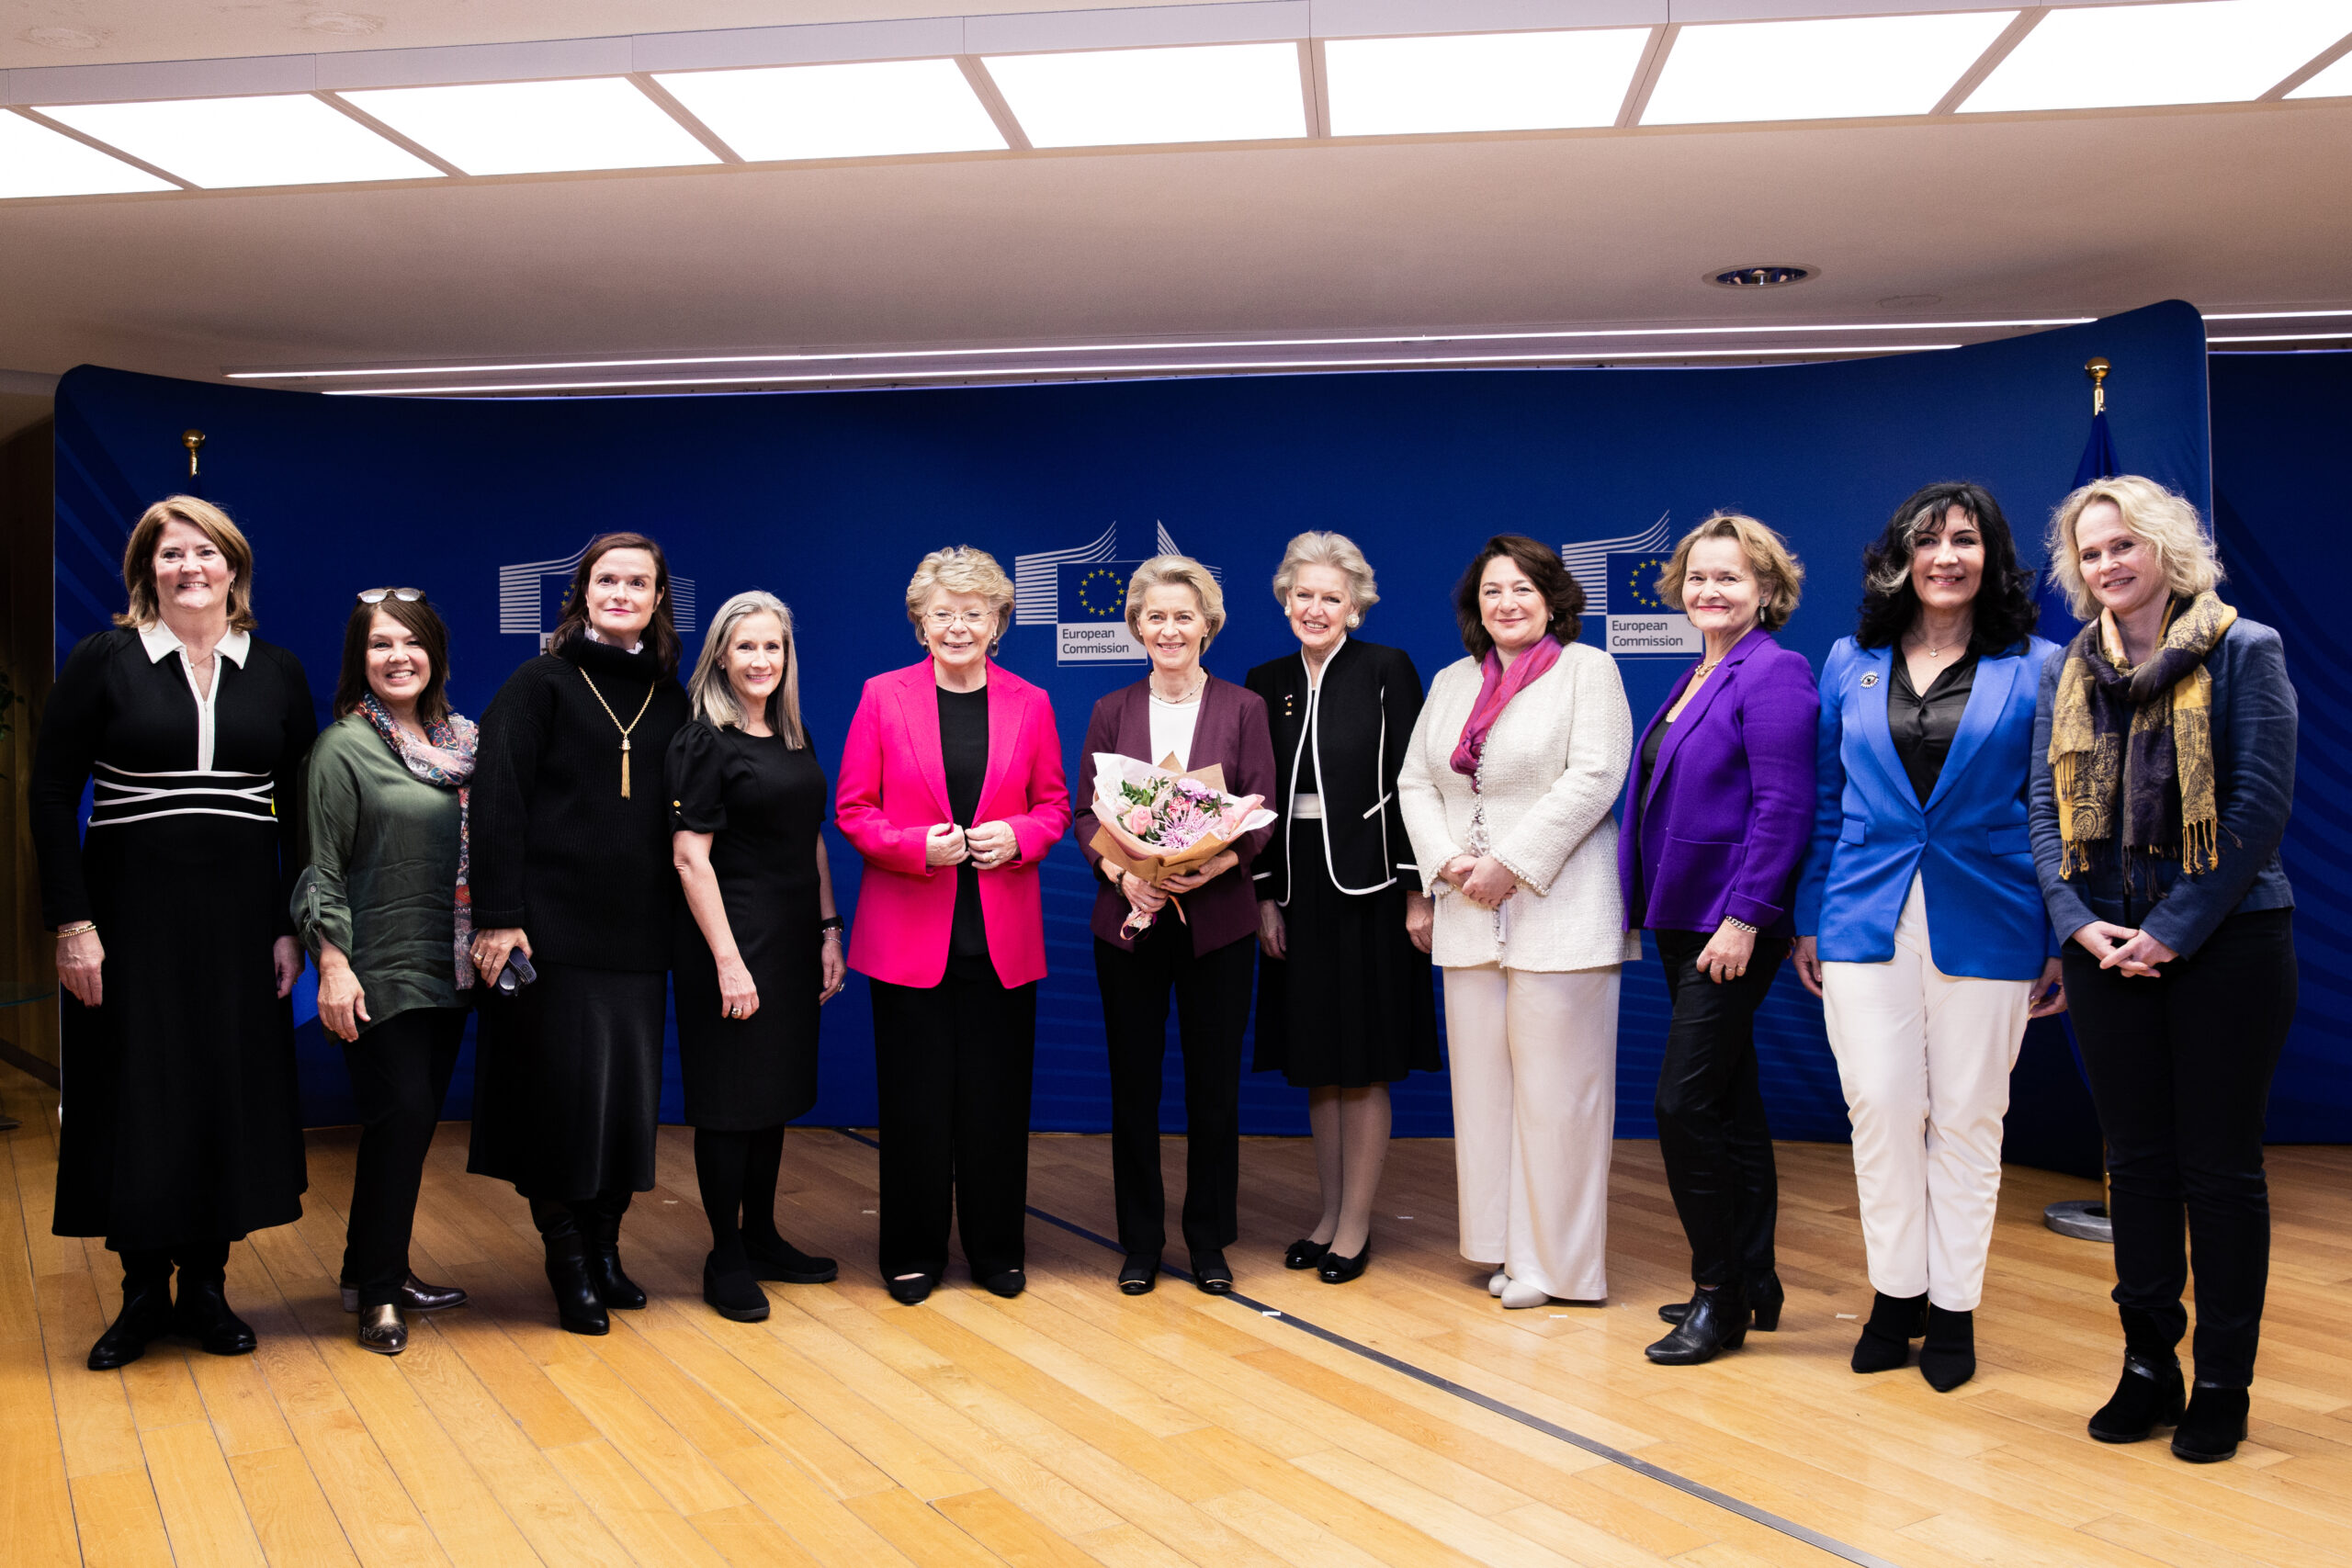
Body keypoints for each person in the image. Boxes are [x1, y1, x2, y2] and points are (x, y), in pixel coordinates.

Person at [2030, 475, 2297, 1464]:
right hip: (2103, 949)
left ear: (2166, 550)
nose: (2107, 565)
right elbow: (2041, 814)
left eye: (2122, 546)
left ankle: (2223, 1383)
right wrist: (2074, 920)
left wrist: (2174, 928)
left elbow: (2258, 812)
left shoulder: (2244, 652)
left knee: (2219, 1173)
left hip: (2228, 947)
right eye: (2090, 552)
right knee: (2134, 1166)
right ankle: (2149, 1367)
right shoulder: (2069, 668)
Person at [1790, 484, 2066, 1393]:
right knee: (1876, 1103)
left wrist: (2062, 933)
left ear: (1991, 555)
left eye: (1965, 539)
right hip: (1863, 908)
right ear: (1898, 556)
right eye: (1928, 539)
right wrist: (1808, 916)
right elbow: (1827, 802)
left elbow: (2056, 814)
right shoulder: (1848, 659)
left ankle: (1953, 1306)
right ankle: (1894, 1292)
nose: (1946, 556)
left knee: (1968, 1115)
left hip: (1993, 912)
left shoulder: (2039, 666)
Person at [31, 496, 316, 1370]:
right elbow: (49, 794)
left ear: (234, 567)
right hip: (126, 921)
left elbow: (300, 809)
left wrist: (288, 926)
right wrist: (72, 923)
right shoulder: (104, 659)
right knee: (136, 1089)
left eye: (205, 552)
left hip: (239, 924)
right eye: (170, 554)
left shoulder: (274, 668)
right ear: (144, 570)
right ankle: (142, 1290)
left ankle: (208, 1287)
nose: (189, 567)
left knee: (221, 1086)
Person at [1397, 535, 1633, 1310]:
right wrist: (1447, 863)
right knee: (1486, 1094)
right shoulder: (1450, 680)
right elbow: (1414, 782)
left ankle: (1560, 1269)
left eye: (1524, 589)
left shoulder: (1587, 670)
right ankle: (1504, 1248)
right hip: (1468, 915)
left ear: (1553, 598)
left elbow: (1596, 775)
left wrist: (1513, 861)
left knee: (1560, 1098)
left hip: (1560, 909)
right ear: (1476, 606)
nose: (1508, 602)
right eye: (1493, 591)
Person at [466, 532, 690, 1336]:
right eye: (608, 580)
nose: (623, 592)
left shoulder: (673, 698)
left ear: (659, 597)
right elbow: (495, 802)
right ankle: (567, 1262)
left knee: (623, 1110)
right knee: (556, 1112)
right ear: (583, 593)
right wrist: (498, 917)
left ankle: (606, 1250)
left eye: (640, 581)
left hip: (636, 940)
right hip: (546, 939)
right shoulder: (540, 684)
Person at [837, 547, 1069, 1305]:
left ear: (999, 621)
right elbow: (853, 809)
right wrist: (914, 848)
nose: (959, 626)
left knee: (997, 1108)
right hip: (909, 939)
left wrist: (1022, 838)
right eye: (943, 613)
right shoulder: (881, 696)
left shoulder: (1030, 702)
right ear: (920, 623)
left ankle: (998, 1249)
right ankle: (911, 1251)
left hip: (1001, 940)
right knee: (913, 1107)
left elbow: (1056, 806)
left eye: (975, 612)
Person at [1620, 512, 1817, 1365]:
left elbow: (1785, 809)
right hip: (1680, 911)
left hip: (1728, 922)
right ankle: (1757, 1280)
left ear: (1767, 589)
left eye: (1730, 577)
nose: (1710, 590)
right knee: (1732, 1102)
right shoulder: (1697, 671)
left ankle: (1718, 1293)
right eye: (1698, 577)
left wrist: (1745, 918)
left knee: (1684, 1103)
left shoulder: (1776, 673)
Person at [1076, 555, 1275, 1298]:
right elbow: (1081, 813)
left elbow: (1260, 808)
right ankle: (1140, 1240)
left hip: (1218, 924)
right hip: (1128, 924)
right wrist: (1125, 875)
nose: (1169, 628)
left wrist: (1214, 868)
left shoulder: (1243, 707)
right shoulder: (1110, 708)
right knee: (1134, 1087)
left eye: (1183, 616)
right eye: (1155, 616)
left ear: (1208, 626)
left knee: (1212, 1090)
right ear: (1136, 626)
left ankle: (1206, 1238)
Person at [1247, 532, 1438, 1285]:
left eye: (1332, 596)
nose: (1316, 608)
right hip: (1296, 894)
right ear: (1285, 600)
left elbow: (1417, 785)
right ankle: (1326, 1215)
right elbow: (1253, 799)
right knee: (1318, 1065)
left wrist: (1417, 888)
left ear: (1355, 606)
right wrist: (1264, 896)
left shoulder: (1388, 669)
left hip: (1374, 893)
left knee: (1363, 1066)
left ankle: (1356, 1225)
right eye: (1304, 594)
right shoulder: (1264, 680)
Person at [297, 589, 476, 1356]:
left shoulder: (464, 739)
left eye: (411, 641)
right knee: (397, 1121)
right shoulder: (343, 746)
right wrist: (331, 964)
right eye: (379, 644)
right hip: (378, 966)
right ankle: (378, 1297)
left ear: (434, 650)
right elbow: (320, 867)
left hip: (455, 963)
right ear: (359, 660)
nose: (397, 655)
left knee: (410, 1128)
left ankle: (372, 1269)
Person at [669, 592, 848, 1324]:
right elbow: (688, 858)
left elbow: (811, 837)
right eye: (746, 647)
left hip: (791, 938)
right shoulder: (702, 741)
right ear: (719, 655)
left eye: (772, 647)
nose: (761, 660)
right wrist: (727, 960)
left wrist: (829, 928)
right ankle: (725, 1254)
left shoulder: (792, 735)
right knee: (730, 1104)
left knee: (771, 1097)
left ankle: (764, 1235)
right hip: (730, 939)